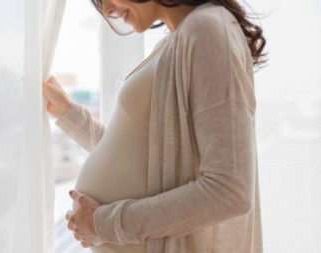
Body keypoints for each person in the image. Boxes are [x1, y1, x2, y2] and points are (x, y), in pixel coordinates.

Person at [42, 0, 266, 252]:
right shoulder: (178, 38)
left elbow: (229, 192)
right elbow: (144, 156)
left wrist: (103, 224)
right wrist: (69, 114)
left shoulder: (207, 29)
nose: (106, 11)